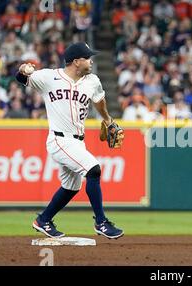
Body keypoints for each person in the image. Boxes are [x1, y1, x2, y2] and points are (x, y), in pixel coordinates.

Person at [15, 42, 124, 239]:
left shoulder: (92, 81)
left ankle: (43, 220)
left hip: (77, 142)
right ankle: (101, 223)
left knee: (71, 186)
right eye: (88, 57)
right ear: (76, 61)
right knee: (93, 168)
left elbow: (99, 100)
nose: (91, 61)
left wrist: (107, 119)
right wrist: (24, 69)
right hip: (58, 140)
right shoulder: (49, 77)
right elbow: (21, 77)